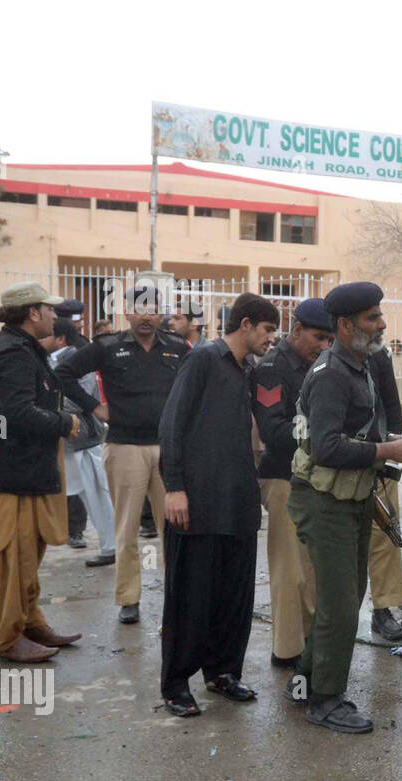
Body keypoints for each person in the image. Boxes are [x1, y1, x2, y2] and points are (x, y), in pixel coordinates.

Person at [285, 281, 402, 733]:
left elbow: (360, 433)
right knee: (341, 604)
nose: (382, 323)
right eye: (371, 318)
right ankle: (326, 700)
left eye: (380, 315)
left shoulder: (360, 364)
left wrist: (388, 452)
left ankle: (306, 680)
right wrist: (388, 451)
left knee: (349, 596)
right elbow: (325, 448)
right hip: (325, 500)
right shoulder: (331, 375)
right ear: (345, 326)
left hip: (352, 496)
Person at [156, 293, 279, 717]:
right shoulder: (204, 359)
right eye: (267, 330)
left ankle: (223, 672)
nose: (270, 340)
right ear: (245, 324)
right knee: (192, 597)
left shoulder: (249, 371)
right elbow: (172, 421)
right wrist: (173, 486)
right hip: (198, 502)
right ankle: (176, 684)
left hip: (238, 502)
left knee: (234, 595)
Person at [56, 283, 190, 625]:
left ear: (162, 313)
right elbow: (63, 374)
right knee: (127, 528)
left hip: (168, 452)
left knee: (175, 529)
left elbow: (196, 386)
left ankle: (178, 596)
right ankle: (128, 599)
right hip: (124, 447)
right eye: (138, 309)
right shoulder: (108, 347)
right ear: (127, 312)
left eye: (152, 309)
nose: (146, 316)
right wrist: (94, 408)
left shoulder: (178, 348)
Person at [0, 282, 84, 662]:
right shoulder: (11, 354)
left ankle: (30, 622)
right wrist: (63, 421)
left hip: (23, 473)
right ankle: (7, 638)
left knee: (27, 558)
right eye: (50, 309)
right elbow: (17, 413)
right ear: (33, 313)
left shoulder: (22, 349)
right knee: (7, 559)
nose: (56, 315)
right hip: (6, 475)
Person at [251, 298, 335, 668]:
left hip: (312, 477)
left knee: (313, 570)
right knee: (289, 571)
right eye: (318, 337)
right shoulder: (273, 368)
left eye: (329, 339)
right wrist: (322, 434)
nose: (324, 345)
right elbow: (273, 429)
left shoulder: (316, 365)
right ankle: (287, 650)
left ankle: (308, 642)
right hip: (282, 477)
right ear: (297, 328)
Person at [43, 314, 116, 568]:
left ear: (60, 338)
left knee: (96, 493)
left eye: (47, 335)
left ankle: (111, 546)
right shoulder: (49, 360)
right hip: (65, 439)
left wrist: (49, 407)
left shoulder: (77, 359)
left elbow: (81, 398)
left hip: (82, 438)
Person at [366, 340, 402, 641]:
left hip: (379, 458)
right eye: (372, 318)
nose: (381, 325)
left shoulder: (377, 354)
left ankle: (383, 609)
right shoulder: (326, 355)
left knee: (385, 535)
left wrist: (394, 445)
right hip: (334, 462)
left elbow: (391, 401)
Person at [51, 299, 93, 549]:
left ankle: (75, 529)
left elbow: (84, 388)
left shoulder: (83, 348)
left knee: (77, 479)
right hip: (53, 420)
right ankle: (60, 527)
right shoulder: (50, 343)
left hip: (74, 422)